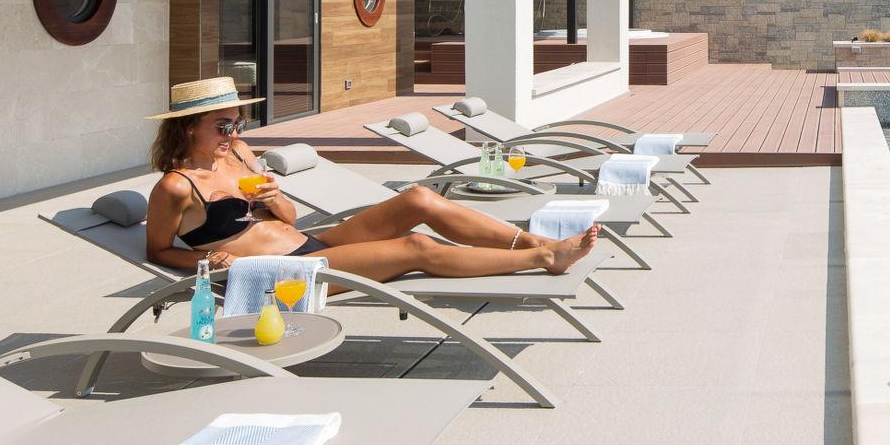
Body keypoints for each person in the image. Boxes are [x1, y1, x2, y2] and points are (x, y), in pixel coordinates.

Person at [144, 77, 597, 281]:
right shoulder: (176, 187)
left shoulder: (241, 154)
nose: (235, 134)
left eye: (237, 123)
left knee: (419, 198)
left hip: (309, 244)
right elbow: (159, 250)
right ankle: (543, 260)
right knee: (416, 247)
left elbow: (289, 217)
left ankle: (532, 241)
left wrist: (276, 197)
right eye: (223, 127)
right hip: (282, 274)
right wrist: (209, 263)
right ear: (189, 126)